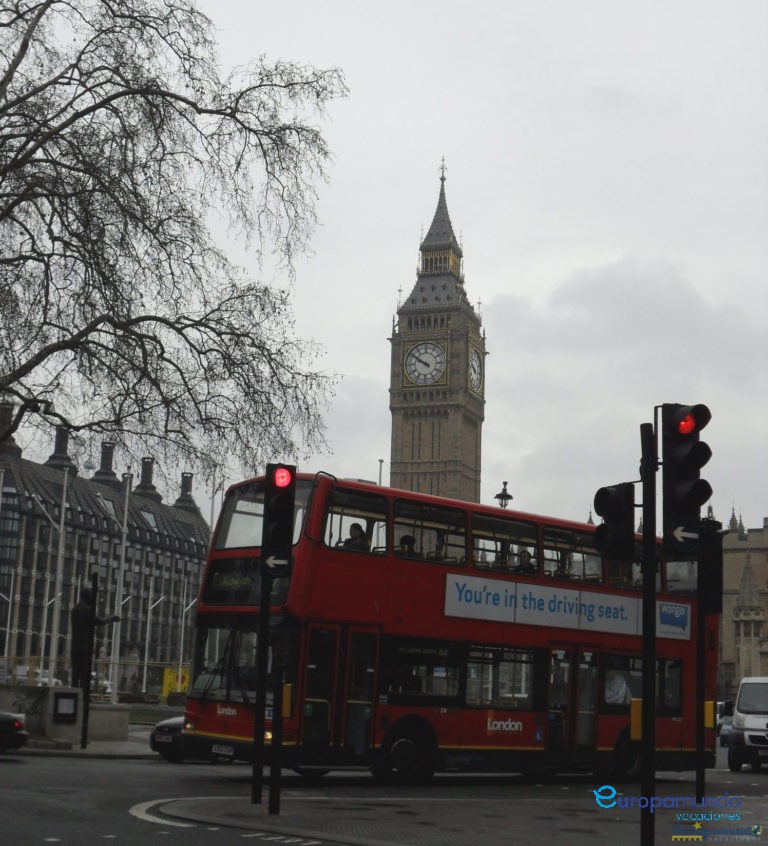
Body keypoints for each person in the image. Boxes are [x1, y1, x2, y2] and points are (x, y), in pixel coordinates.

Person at [70, 587, 119, 690]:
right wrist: (111, 617)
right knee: (84, 676)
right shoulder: (87, 610)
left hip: (75, 647)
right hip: (85, 648)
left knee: (75, 675)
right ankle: (82, 697)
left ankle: (73, 696)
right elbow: (101, 621)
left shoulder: (75, 609)